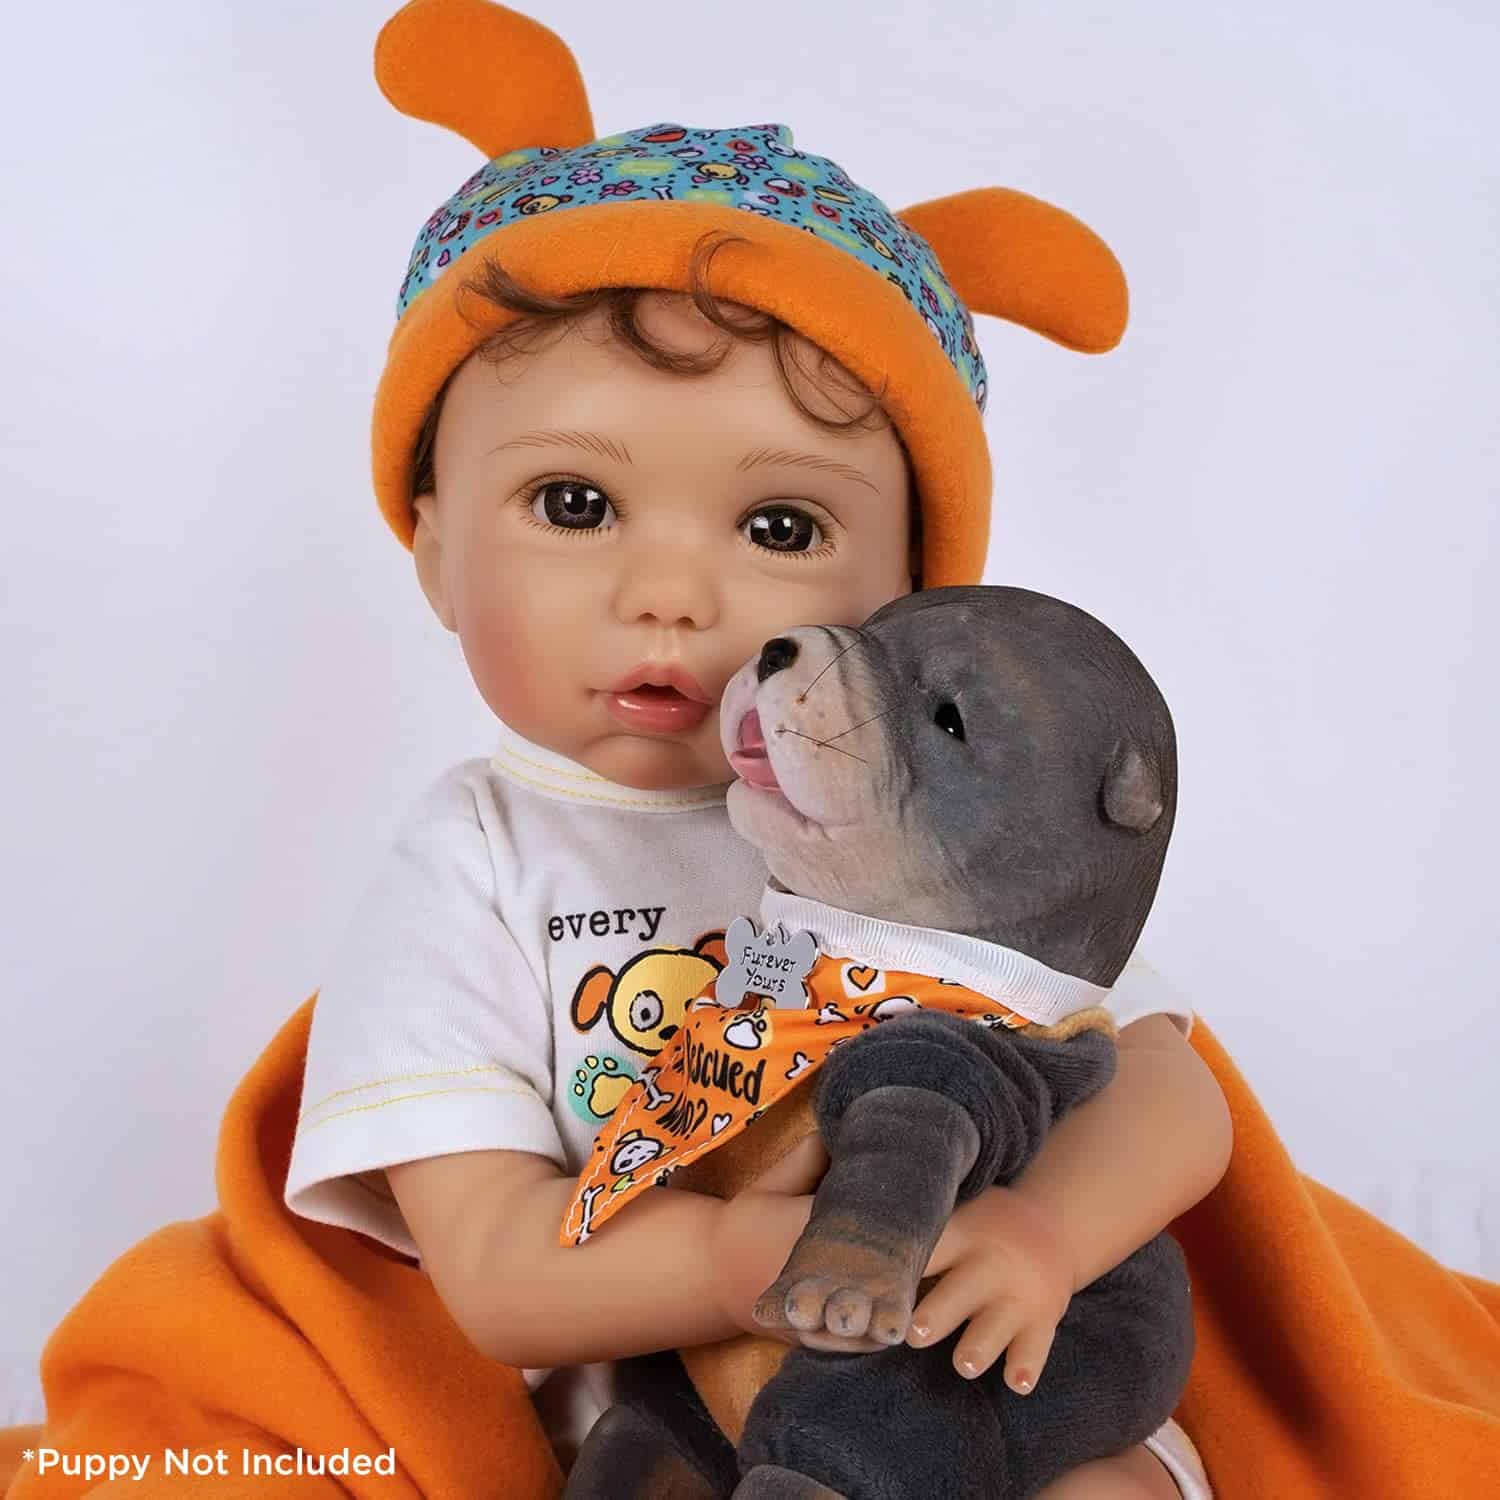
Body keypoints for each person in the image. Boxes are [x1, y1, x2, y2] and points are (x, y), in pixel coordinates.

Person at [284, 4, 1231, 1495]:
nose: (673, 593)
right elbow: (498, 1269)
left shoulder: (936, 827)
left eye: (781, 527)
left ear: (911, 590)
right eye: (576, 505)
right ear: (433, 550)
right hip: (688, 1428)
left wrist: (1046, 1234)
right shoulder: (476, 865)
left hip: (982, 1397)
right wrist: (763, 1258)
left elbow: (1169, 1094)